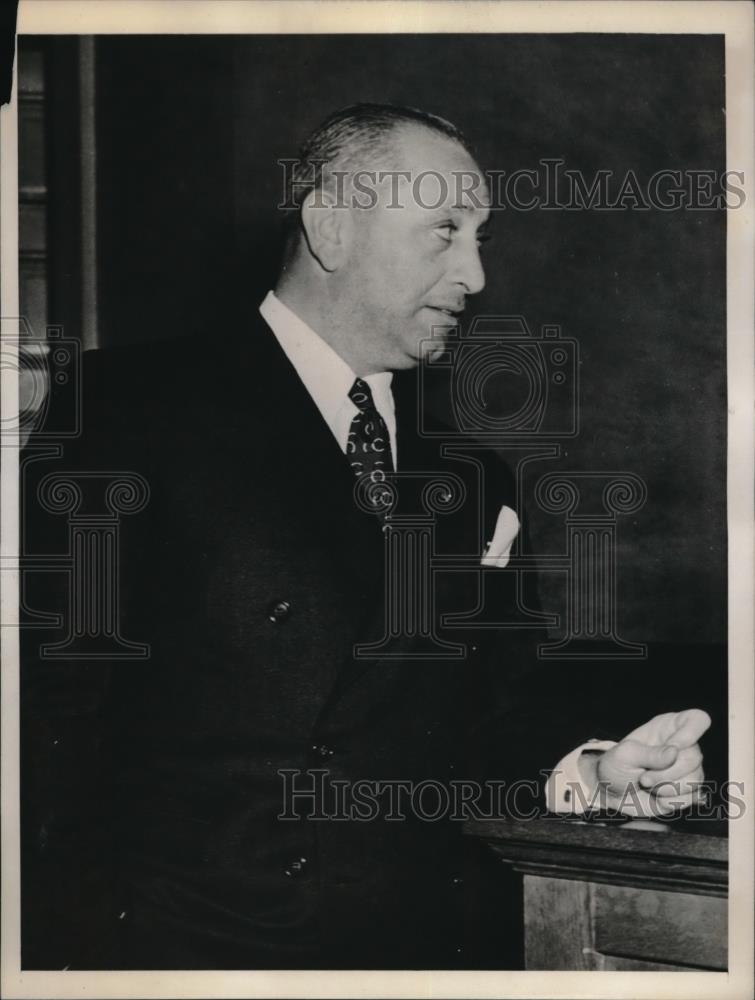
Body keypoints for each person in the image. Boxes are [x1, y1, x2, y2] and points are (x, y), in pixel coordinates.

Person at [21, 103, 710, 971]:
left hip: (419, 951)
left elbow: (495, 708)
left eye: (481, 238)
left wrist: (597, 772)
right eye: (444, 231)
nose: (475, 274)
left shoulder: (472, 478)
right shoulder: (130, 411)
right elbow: (50, 710)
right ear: (331, 227)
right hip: (188, 947)